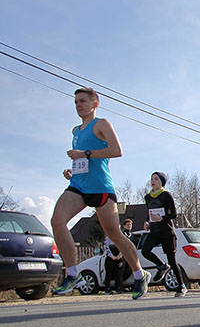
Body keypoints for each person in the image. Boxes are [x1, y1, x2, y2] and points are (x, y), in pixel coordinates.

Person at [51, 87, 150, 299]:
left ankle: (140, 275)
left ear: (95, 104)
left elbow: (117, 150)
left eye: (83, 101)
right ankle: (72, 273)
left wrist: (85, 154)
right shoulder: (75, 131)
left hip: (101, 187)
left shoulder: (102, 124)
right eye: (76, 101)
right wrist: (74, 169)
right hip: (78, 185)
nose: (78, 105)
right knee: (57, 221)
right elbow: (83, 160)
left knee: (114, 233)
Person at [142, 172, 187, 297]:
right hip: (154, 231)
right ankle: (161, 266)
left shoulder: (166, 195)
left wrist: (162, 218)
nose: (153, 181)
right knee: (145, 250)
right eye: (152, 179)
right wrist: (147, 221)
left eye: (156, 179)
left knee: (172, 261)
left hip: (166, 231)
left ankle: (181, 286)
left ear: (162, 182)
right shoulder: (148, 197)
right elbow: (150, 213)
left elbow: (173, 214)